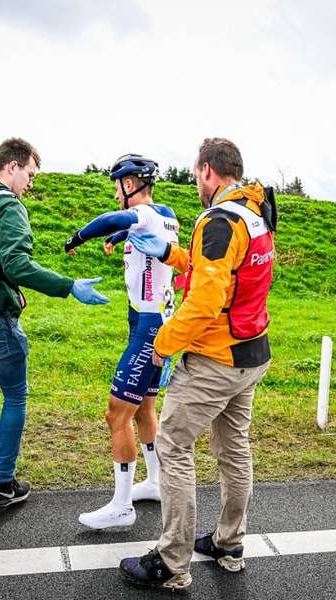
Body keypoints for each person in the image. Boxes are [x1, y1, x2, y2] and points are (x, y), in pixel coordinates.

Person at [118, 138, 276, 589]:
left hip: (214, 357)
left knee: (172, 444)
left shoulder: (219, 220)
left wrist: (165, 343)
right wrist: (170, 254)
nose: (195, 184)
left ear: (208, 171)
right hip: (252, 352)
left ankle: (172, 562)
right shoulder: (255, 212)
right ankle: (229, 542)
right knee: (233, 448)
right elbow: (225, 272)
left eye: (195, 175)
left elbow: (205, 300)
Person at [0, 137, 109, 514]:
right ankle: (3, 485)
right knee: (15, 394)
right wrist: (69, 286)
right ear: (11, 167)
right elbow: (16, 265)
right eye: (30, 174)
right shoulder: (6, 204)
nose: (31, 183)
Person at [62, 154, 180, 529]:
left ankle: (122, 506)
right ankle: (156, 483)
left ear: (131, 184)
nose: (115, 191)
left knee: (117, 413)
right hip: (150, 319)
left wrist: (79, 237)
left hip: (148, 326)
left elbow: (114, 219)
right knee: (145, 409)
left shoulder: (143, 213)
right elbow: (132, 230)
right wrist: (118, 238)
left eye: (117, 184)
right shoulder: (165, 214)